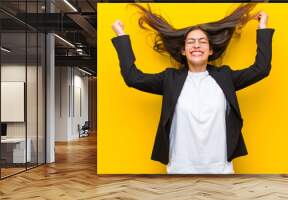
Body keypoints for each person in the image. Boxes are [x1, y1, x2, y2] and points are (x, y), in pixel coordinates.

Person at [111, 3, 274, 174]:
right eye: (191, 42)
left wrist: (263, 28)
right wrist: (121, 36)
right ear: (183, 51)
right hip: (179, 169)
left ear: (210, 50)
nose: (196, 45)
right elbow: (133, 78)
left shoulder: (225, 77)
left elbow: (261, 69)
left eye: (202, 42)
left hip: (221, 169)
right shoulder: (170, 79)